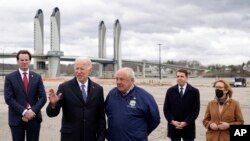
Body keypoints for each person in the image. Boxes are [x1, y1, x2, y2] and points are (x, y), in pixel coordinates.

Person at [46, 57, 106, 141]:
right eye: (77, 68)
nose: (79, 72)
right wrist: (53, 104)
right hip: (70, 137)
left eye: (82, 69)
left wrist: (101, 138)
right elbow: (52, 114)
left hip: (90, 137)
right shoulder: (64, 87)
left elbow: (101, 118)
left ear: (90, 70)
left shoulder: (98, 89)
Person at [105, 67, 160, 141]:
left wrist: (140, 133)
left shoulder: (145, 97)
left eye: (121, 79)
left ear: (132, 80)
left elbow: (155, 120)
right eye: (117, 79)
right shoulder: (112, 94)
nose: (118, 82)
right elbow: (108, 113)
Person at [4, 50, 47, 141]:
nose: (24, 62)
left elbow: (43, 97)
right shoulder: (10, 78)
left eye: (26, 60)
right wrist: (24, 112)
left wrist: (32, 111)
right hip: (17, 119)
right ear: (17, 61)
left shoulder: (37, 77)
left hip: (34, 118)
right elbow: (8, 98)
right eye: (22, 60)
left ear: (30, 61)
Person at [163, 69, 200, 141]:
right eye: (178, 76)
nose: (179, 78)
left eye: (182, 76)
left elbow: (196, 110)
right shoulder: (170, 91)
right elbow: (166, 109)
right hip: (174, 127)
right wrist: (172, 121)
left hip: (188, 127)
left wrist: (186, 122)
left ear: (186, 77)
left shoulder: (194, 91)